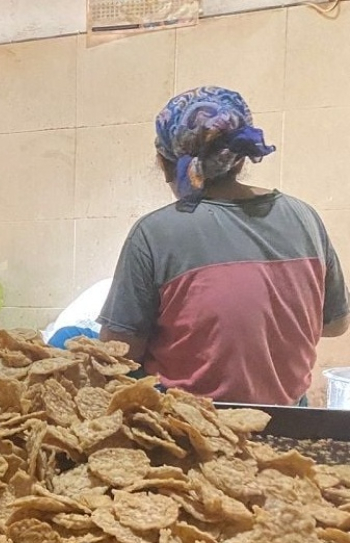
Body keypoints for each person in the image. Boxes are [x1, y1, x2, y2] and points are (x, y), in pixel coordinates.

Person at [99, 86, 350, 405]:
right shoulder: (304, 217)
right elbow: (336, 323)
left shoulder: (155, 233)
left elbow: (118, 351)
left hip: (190, 431)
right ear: (239, 158)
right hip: (291, 424)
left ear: (167, 165)